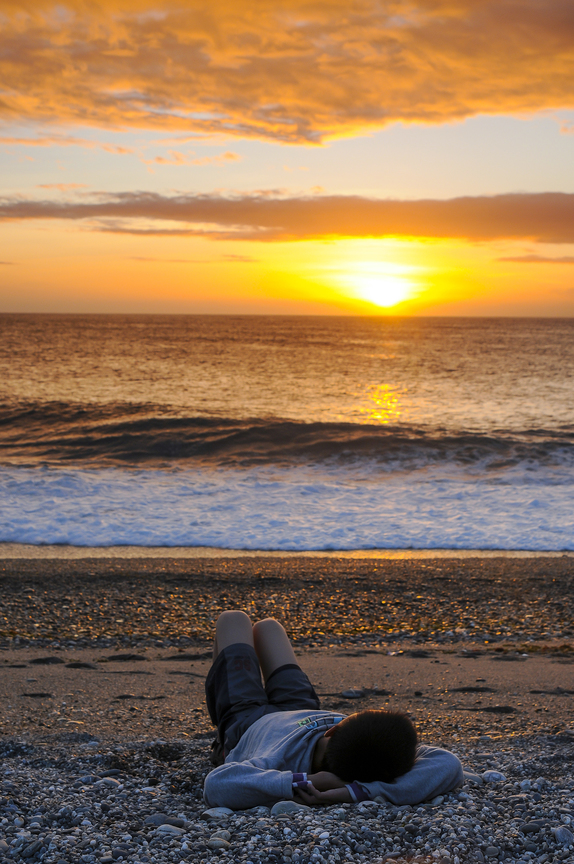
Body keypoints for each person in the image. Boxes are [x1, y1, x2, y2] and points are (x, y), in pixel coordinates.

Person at [203, 611, 463, 810]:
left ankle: (220, 740)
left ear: (335, 729)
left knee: (233, 619)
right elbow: (449, 763)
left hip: (249, 722)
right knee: (268, 627)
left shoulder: (277, 760)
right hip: (302, 709)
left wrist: (309, 781)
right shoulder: (380, 753)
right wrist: (356, 790)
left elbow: (217, 785)